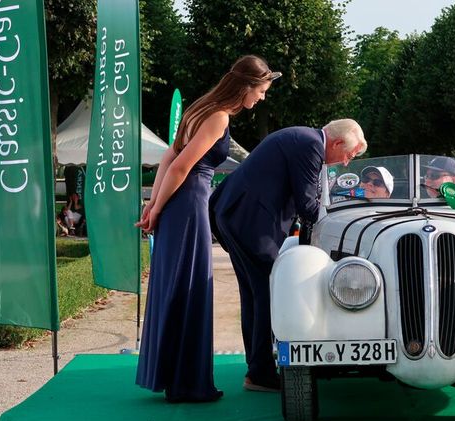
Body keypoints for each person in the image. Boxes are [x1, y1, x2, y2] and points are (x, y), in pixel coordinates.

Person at [134, 55, 280, 403]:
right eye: (261, 91)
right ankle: (187, 383)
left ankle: (176, 378)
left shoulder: (199, 108)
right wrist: (157, 207)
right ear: (247, 86)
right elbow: (181, 166)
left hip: (178, 204)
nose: (261, 98)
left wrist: (154, 204)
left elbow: (169, 157)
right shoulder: (218, 116)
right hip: (189, 205)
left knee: (177, 284)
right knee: (191, 285)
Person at [210, 119, 367, 392]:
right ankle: (260, 372)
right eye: (349, 155)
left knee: (254, 295)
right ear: (337, 142)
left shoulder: (303, 139)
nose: (345, 163)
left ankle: (257, 367)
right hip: (250, 222)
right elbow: (308, 205)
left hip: (237, 216)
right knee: (267, 295)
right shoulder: (311, 146)